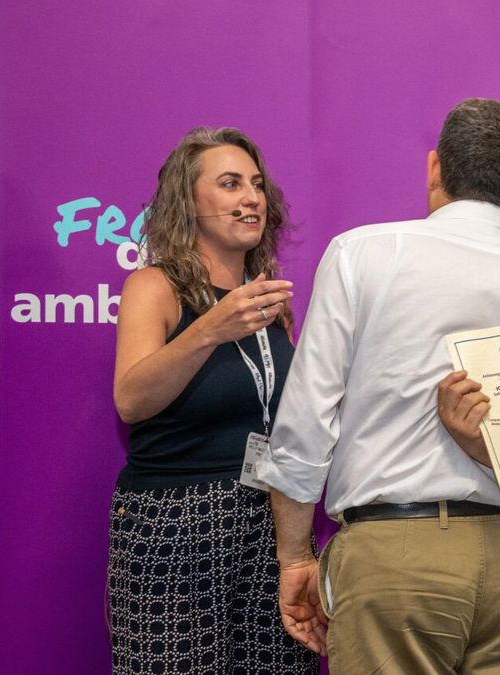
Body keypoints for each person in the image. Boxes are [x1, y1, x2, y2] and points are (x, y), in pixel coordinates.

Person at [258, 98, 500, 674]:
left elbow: (305, 427)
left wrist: (293, 557)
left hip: (397, 557)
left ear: (435, 168)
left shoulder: (363, 255)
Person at [108, 127, 319, 675]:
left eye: (256, 185)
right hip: (175, 521)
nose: (251, 197)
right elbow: (131, 400)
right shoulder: (153, 286)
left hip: (271, 518)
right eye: (230, 184)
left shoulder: (272, 301)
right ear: (189, 202)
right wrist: (208, 330)